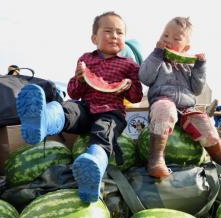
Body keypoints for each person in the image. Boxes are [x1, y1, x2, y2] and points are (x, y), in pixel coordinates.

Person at [16, 11, 143, 202]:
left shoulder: (130, 65)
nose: (115, 36)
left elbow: (136, 97)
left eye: (119, 33)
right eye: (108, 31)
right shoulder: (86, 59)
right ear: (94, 38)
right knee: (68, 109)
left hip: (111, 112)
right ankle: (42, 121)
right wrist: (79, 78)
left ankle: (93, 166)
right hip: (86, 107)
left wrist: (129, 85)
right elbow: (74, 92)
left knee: (104, 133)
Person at [139, 16, 221, 178]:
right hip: (162, 102)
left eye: (176, 38)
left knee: (202, 120)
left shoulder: (188, 65)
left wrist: (200, 66)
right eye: (165, 35)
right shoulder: (157, 60)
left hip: (186, 108)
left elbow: (197, 88)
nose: (168, 40)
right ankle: (156, 159)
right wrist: (156, 54)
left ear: (185, 47)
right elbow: (145, 77)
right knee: (164, 108)